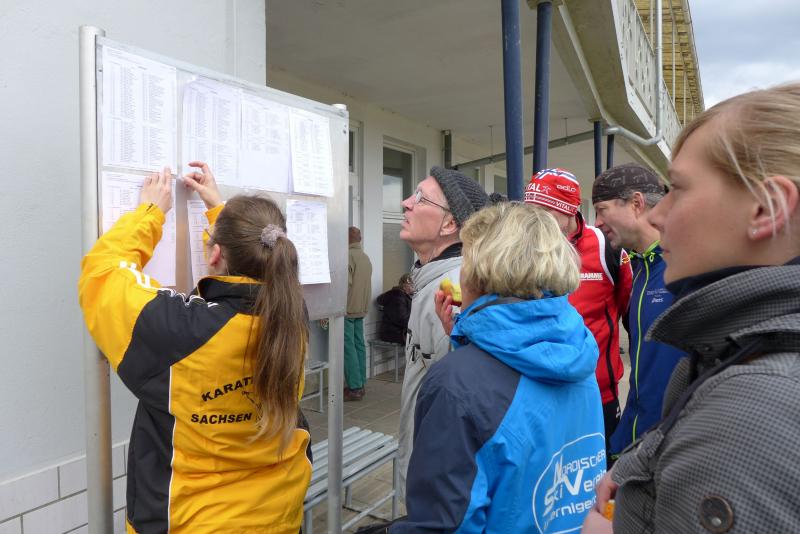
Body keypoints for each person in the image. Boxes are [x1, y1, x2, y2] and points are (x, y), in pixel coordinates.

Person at [583, 83, 800, 533]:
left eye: (678, 189)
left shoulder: (756, 405)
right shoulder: (745, 346)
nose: (657, 216)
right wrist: (643, 461)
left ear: (766, 209)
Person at [78, 162, 311, 533]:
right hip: (278, 515)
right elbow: (257, 255)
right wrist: (222, 213)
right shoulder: (292, 316)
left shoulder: (182, 330)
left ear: (214, 255)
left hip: (193, 521)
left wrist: (150, 213)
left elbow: (102, 275)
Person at [390, 202, 605, 532]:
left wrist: (465, 360)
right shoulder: (577, 345)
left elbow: (442, 524)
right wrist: (466, 340)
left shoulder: (455, 384)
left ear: (480, 272)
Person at [397, 166, 489, 500]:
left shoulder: (452, 289)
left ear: (449, 224)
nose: (406, 203)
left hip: (434, 480)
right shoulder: (434, 277)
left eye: (420, 198)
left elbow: (457, 406)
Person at [525, 168, 632, 454]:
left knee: (601, 472)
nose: (534, 221)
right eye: (530, 211)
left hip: (599, 393)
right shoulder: (523, 248)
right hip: (539, 393)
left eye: (544, 212)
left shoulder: (605, 246)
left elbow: (632, 315)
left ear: (570, 209)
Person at [591, 163, 684, 457]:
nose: (597, 222)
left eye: (602, 210)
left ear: (636, 203)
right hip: (636, 441)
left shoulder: (686, 266)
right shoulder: (638, 267)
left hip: (672, 449)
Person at [345, 226, 373, 401]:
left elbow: (345, 285)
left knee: (348, 348)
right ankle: (361, 382)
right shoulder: (365, 257)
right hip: (362, 307)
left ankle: (354, 388)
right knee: (359, 345)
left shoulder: (348, 256)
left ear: (347, 238)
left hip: (348, 309)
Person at [375, 273, 413, 345]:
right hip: (394, 333)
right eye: (411, 284)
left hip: (399, 331)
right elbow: (402, 320)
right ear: (404, 285)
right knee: (424, 338)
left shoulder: (406, 296)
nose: (414, 286)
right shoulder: (397, 297)